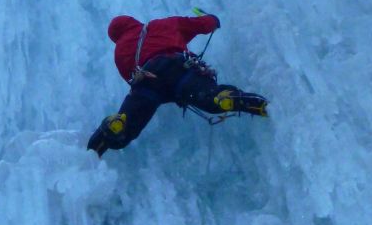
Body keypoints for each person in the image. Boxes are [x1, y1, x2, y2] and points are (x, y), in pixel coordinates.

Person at [87, 13, 268, 157]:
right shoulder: (161, 25)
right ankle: (222, 97)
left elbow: (129, 77)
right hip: (177, 68)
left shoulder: (120, 51)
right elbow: (196, 25)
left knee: (128, 127)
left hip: (147, 83)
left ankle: (115, 125)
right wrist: (212, 20)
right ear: (133, 22)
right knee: (209, 97)